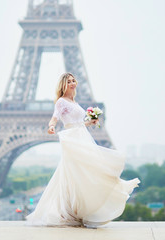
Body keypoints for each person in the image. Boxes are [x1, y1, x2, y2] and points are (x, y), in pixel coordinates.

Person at [26, 73, 140, 227]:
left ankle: (82, 208)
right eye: (69, 81)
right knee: (76, 173)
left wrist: (90, 122)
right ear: (63, 85)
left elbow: (78, 123)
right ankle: (72, 210)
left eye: (73, 80)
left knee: (86, 172)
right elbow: (55, 116)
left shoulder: (74, 101)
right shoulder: (61, 102)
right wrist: (51, 126)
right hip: (72, 138)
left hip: (81, 136)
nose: (72, 83)